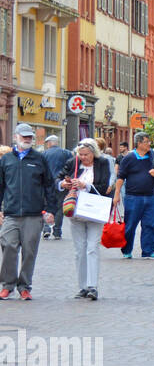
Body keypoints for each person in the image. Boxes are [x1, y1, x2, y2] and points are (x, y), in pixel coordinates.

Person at [0, 124, 58, 300]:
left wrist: (51, 210)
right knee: (8, 246)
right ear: (16, 137)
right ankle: (7, 285)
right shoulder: (6, 159)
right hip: (11, 213)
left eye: (30, 137)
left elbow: (49, 185)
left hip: (33, 214)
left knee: (29, 251)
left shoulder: (39, 159)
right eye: (24, 136)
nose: (27, 139)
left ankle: (24, 287)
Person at [57, 139, 113, 300]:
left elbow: (104, 187)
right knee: (79, 250)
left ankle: (92, 286)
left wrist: (85, 185)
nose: (83, 157)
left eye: (86, 155)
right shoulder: (72, 162)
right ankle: (82, 287)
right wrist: (64, 184)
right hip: (76, 211)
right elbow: (58, 179)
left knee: (92, 247)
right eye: (80, 154)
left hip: (95, 210)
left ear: (93, 153)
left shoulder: (102, 163)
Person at [113, 132, 154, 260]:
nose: (149, 144)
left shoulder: (152, 156)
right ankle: (127, 250)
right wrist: (117, 194)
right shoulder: (129, 158)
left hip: (149, 196)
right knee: (130, 225)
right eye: (147, 142)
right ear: (139, 143)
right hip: (133, 197)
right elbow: (120, 177)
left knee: (149, 225)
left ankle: (148, 251)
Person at [41, 135, 72, 240]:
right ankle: (57, 231)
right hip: (62, 184)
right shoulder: (66, 153)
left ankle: (46, 229)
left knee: (47, 206)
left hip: (47, 184)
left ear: (49, 143)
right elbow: (70, 168)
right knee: (60, 207)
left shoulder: (44, 154)